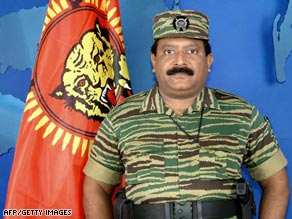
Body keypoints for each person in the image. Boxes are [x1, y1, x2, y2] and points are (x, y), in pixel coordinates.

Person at [82, 10, 290, 219]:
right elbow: (96, 187)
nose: (180, 61)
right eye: (169, 52)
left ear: (208, 61)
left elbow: (277, 183)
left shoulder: (242, 115)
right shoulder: (121, 118)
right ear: (153, 61)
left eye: (192, 51)